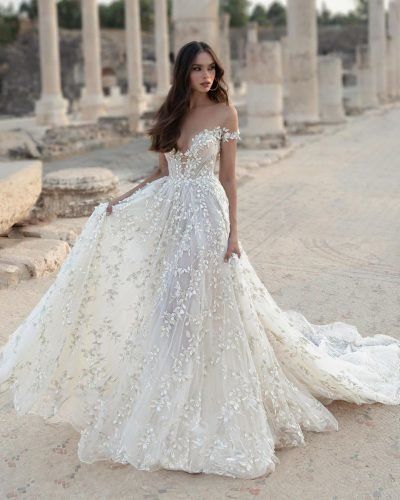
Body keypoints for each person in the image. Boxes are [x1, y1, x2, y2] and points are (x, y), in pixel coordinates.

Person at [0, 41, 399, 480]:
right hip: (172, 217)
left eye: (211, 68)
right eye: (197, 69)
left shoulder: (226, 114)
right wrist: (121, 200)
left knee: (199, 303)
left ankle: (201, 392)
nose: (207, 76)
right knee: (170, 303)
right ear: (184, 73)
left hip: (208, 217)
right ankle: (167, 391)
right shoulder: (169, 114)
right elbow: (161, 173)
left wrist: (234, 234)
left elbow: (227, 178)